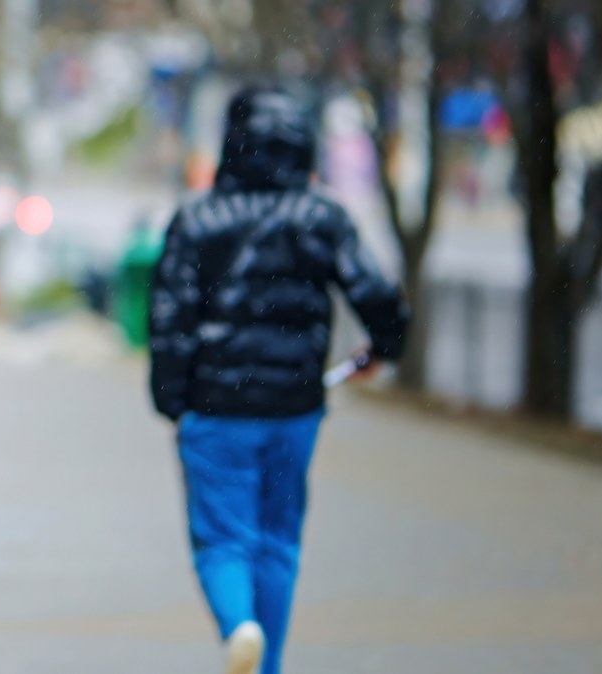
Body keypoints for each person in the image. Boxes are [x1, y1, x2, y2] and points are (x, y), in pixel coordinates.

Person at [148, 85, 408, 674]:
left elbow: (169, 318)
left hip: (214, 409)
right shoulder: (320, 217)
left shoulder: (197, 219)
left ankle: (239, 629)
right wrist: (384, 349)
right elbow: (376, 293)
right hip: (296, 408)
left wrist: (172, 400)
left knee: (222, 539)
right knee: (278, 542)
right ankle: (268, 664)